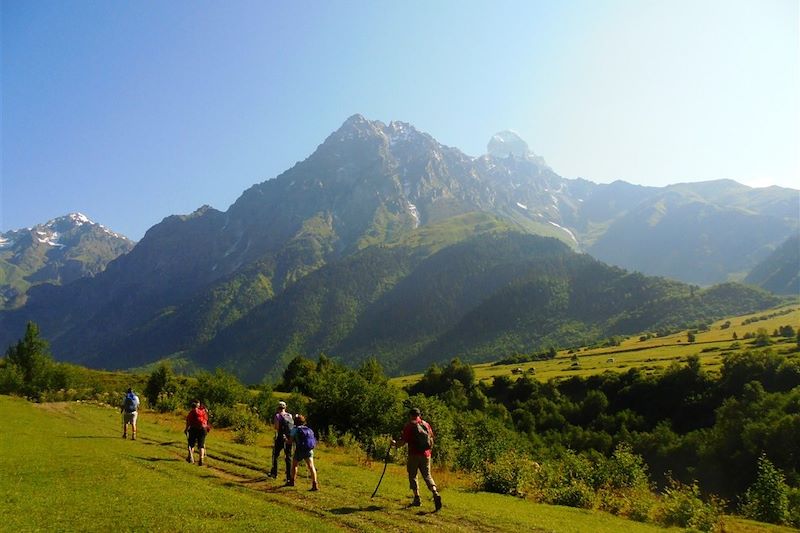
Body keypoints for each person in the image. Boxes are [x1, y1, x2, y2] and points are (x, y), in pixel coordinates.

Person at [392, 407, 442, 511]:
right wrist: (429, 452)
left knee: (413, 475)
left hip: (414, 454)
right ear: (419, 415)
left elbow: (403, 441)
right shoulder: (426, 424)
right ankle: (435, 492)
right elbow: (431, 439)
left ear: (410, 415)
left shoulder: (409, 426)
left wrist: (395, 444)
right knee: (427, 475)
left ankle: (417, 498)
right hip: (426, 455)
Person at [288, 414, 319, 490]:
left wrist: (286, 439)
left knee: (295, 465)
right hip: (309, 450)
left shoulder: (295, 429)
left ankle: (292, 481)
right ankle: (315, 484)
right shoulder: (309, 429)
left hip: (300, 450)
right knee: (311, 466)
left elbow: (290, 442)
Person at [269, 401, 294, 482]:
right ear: (285, 407)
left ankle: (274, 473)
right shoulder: (289, 415)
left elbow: (276, 427)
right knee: (288, 457)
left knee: (275, 455)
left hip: (280, 437)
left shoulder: (277, 415)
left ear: (278, 408)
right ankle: (289, 477)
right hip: (289, 438)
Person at [184, 400, 210, 466]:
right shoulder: (202, 411)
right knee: (201, 445)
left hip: (193, 429)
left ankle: (190, 457)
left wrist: (186, 429)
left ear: (191, 407)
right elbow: (206, 420)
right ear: (198, 406)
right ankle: (201, 459)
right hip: (203, 429)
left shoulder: (191, 413)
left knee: (191, 444)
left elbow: (188, 422)